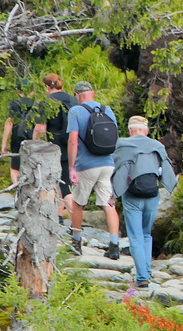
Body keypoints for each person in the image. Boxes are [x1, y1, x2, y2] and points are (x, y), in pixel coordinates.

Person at [112, 116, 177, 288]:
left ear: (130, 130)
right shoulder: (157, 145)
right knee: (146, 234)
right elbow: (167, 170)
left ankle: (142, 277)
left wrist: (113, 194)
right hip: (152, 195)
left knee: (135, 236)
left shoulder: (123, 145)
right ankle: (147, 270)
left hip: (132, 195)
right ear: (146, 131)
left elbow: (118, 169)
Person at [66, 81, 119, 258]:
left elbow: (73, 140)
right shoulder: (107, 109)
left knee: (78, 203)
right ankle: (114, 245)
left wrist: (71, 167)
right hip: (107, 164)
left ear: (77, 95)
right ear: (93, 93)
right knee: (108, 203)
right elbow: (115, 137)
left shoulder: (75, 111)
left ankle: (76, 242)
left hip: (86, 166)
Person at [32, 73, 79, 220]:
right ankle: (58, 216)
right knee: (64, 182)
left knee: (62, 186)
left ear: (47, 86)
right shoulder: (74, 100)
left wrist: (34, 146)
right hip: (74, 147)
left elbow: (40, 128)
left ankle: (76, 222)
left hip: (54, 148)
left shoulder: (46, 102)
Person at [1, 80, 37, 184]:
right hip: (32, 139)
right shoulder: (37, 105)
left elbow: (9, 123)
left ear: (18, 91)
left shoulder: (13, 104)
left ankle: (18, 187)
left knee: (15, 167)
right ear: (33, 91)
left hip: (17, 138)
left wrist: (4, 142)